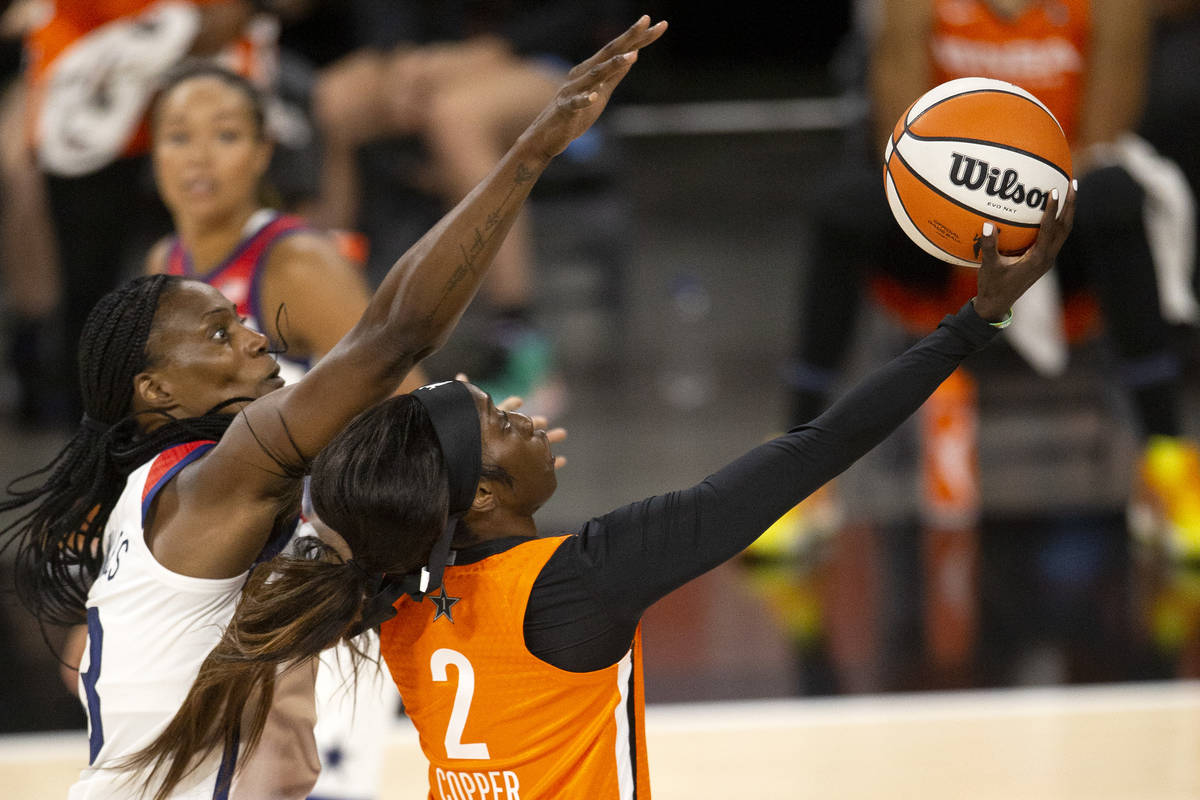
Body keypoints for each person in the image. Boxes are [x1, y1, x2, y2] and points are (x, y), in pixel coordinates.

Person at [125, 168, 1078, 796]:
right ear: (483, 500)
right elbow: (813, 452)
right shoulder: (580, 580)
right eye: (502, 422)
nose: (528, 416)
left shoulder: (396, 589)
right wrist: (970, 325)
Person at [0, 15, 663, 798]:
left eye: (239, 321)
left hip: (326, 564)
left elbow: (395, 390)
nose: (253, 341)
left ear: (263, 152)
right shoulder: (213, 476)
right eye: (220, 334)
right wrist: (530, 150)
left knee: (295, 767)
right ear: (157, 391)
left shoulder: (282, 284)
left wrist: (464, 449)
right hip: (317, 575)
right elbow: (394, 336)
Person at [305, 0, 626, 405]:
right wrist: (402, 58)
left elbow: (591, 13)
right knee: (332, 99)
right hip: (434, 56)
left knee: (455, 117)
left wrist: (488, 52)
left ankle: (516, 334)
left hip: (548, 57)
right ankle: (321, 302)